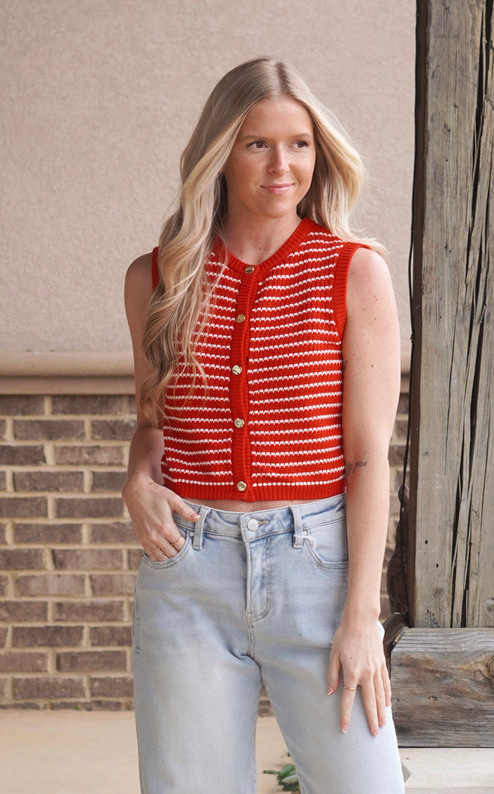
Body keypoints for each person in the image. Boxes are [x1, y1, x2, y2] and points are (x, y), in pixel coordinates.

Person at [122, 56, 405, 794]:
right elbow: (153, 419)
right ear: (221, 154)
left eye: (299, 144)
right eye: (258, 144)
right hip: (188, 570)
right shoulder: (158, 277)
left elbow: (368, 457)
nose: (283, 166)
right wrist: (137, 480)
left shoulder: (353, 271)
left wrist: (362, 615)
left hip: (317, 568)